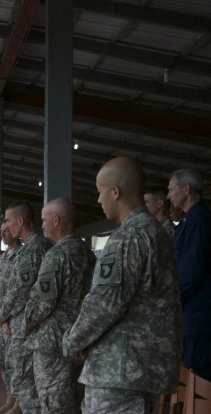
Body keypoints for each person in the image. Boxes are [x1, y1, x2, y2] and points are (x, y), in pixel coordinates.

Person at [62, 157, 181, 414]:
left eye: (99, 192)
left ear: (115, 191)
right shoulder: (154, 231)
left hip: (119, 373)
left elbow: (105, 304)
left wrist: (72, 341)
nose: (98, 200)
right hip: (137, 370)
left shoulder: (129, 237)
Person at [23, 198, 96, 413]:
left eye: (45, 220)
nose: (42, 225)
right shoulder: (87, 253)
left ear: (56, 220)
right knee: (74, 401)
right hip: (79, 338)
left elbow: (43, 302)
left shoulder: (57, 255)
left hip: (52, 343)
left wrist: (26, 324)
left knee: (52, 402)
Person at [0, 201, 53, 414]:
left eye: (9, 220)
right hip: (27, 323)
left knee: (23, 378)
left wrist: (2, 316)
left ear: (20, 221)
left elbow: (21, 290)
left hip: (26, 324)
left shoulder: (34, 247)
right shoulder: (35, 246)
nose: (7, 226)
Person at [167, 169, 211, 381]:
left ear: (186, 190)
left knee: (201, 380)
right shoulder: (189, 221)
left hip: (199, 315)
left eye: (171, 190)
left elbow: (190, 273)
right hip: (192, 314)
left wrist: (169, 301)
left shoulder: (199, 221)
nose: (169, 196)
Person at [0, 221, 22, 414]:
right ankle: (8, 399)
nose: (3, 234)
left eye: (6, 230)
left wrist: (4, 316)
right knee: (2, 361)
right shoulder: (1, 259)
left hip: (12, 321)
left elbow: (20, 291)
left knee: (15, 362)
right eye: (0, 231)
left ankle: (18, 403)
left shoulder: (22, 257)